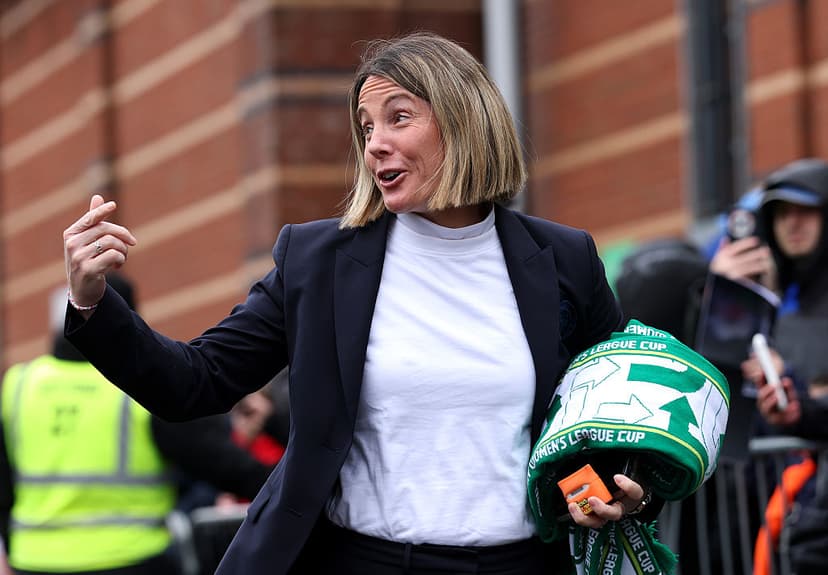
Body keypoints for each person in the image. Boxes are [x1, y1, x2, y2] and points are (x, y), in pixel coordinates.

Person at [60, 32, 652, 575]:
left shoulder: (564, 258)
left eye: (399, 118)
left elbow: (622, 405)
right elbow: (196, 382)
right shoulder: (318, 260)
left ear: (464, 120)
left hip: (523, 564)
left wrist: (628, 486)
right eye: (366, 129)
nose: (376, 146)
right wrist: (92, 303)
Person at [0, 274, 275, 575]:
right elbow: (218, 461)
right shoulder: (139, 385)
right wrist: (290, 487)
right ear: (125, 316)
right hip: (130, 559)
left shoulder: (19, 385)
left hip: (33, 561)